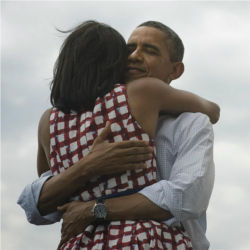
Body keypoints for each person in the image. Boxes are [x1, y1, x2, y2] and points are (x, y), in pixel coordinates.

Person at [18, 20, 219, 250]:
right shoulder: (139, 97)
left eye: (149, 51)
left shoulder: (50, 121)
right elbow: (41, 201)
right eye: (128, 50)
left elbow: (186, 197)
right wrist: (89, 165)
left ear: (175, 70)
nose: (134, 56)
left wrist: (94, 208)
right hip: (144, 239)